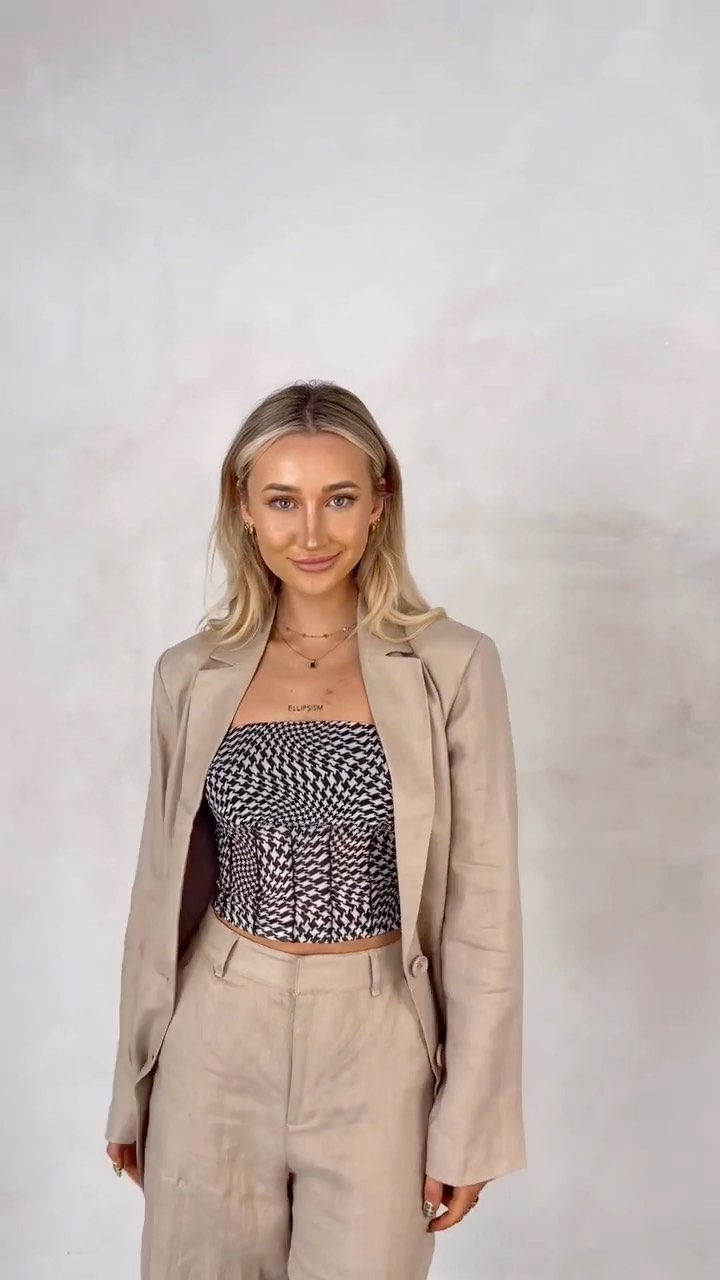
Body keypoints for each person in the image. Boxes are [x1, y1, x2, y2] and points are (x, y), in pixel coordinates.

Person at [104, 380, 526, 1280]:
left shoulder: (452, 665)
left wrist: (472, 1122)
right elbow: (157, 892)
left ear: (379, 503)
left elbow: (483, 907)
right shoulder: (190, 673)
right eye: (282, 500)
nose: (310, 533)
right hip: (216, 1028)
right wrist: (131, 1089)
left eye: (338, 498)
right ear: (243, 509)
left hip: (377, 1036)